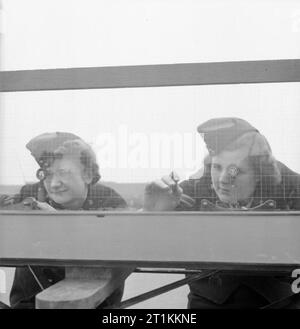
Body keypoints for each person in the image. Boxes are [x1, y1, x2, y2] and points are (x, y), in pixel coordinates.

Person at [144, 117, 300, 308]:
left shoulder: (293, 188)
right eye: (217, 167)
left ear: (260, 174)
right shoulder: (188, 191)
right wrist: (153, 212)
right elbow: (141, 243)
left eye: (237, 171)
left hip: (281, 301)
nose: (223, 180)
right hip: (208, 301)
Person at [1, 132, 128, 309]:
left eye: (63, 173)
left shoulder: (109, 201)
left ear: (88, 174)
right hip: (27, 305)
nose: (53, 184)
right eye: (47, 174)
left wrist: (59, 223)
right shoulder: (32, 194)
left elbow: (116, 248)